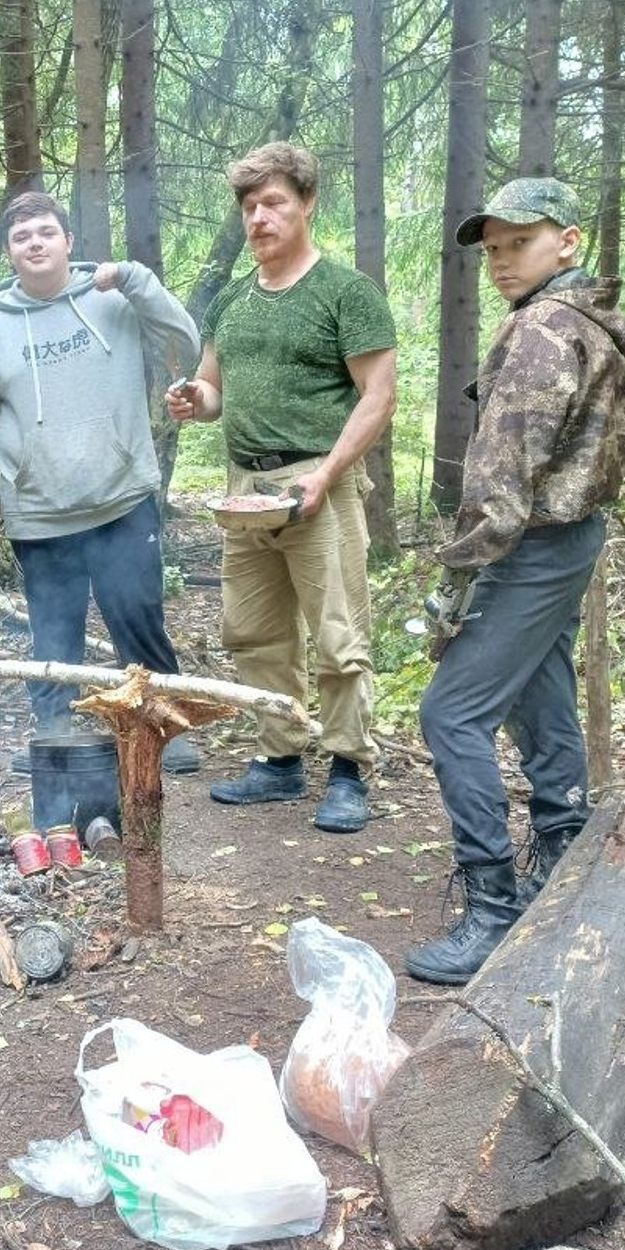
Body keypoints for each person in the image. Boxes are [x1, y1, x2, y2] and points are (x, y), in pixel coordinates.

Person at [405, 177, 625, 986]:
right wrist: (592, 466)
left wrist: (462, 571)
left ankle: (492, 908)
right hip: (570, 537)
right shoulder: (597, 318)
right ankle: (564, 857)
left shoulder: (540, 329)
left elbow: (499, 475)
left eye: (517, 243)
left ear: (567, 240)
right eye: (491, 248)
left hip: (528, 547)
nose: (499, 261)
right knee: (541, 689)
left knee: (451, 713)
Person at [167, 142, 397, 832]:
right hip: (245, 487)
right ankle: (279, 760)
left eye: (273, 203)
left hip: (317, 480)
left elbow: (378, 397)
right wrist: (193, 397)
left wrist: (325, 475)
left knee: (338, 633)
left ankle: (350, 767)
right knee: (254, 632)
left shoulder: (346, 293)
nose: (259, 219)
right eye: (249, 207)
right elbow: (213, 387)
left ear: (306, 205)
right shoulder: (235, 299)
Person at [0, 191, 203, 773]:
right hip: (40, 511)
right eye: (21, 237)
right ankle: (52, 730)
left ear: (67, 241)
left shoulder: (114, 302)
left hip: (121, 498)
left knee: (138, 616)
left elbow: (185, 341)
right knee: (52, 630)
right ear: (11, 253)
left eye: (44, 232)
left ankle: (162, 722)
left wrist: (137, 279)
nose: (34, 242)